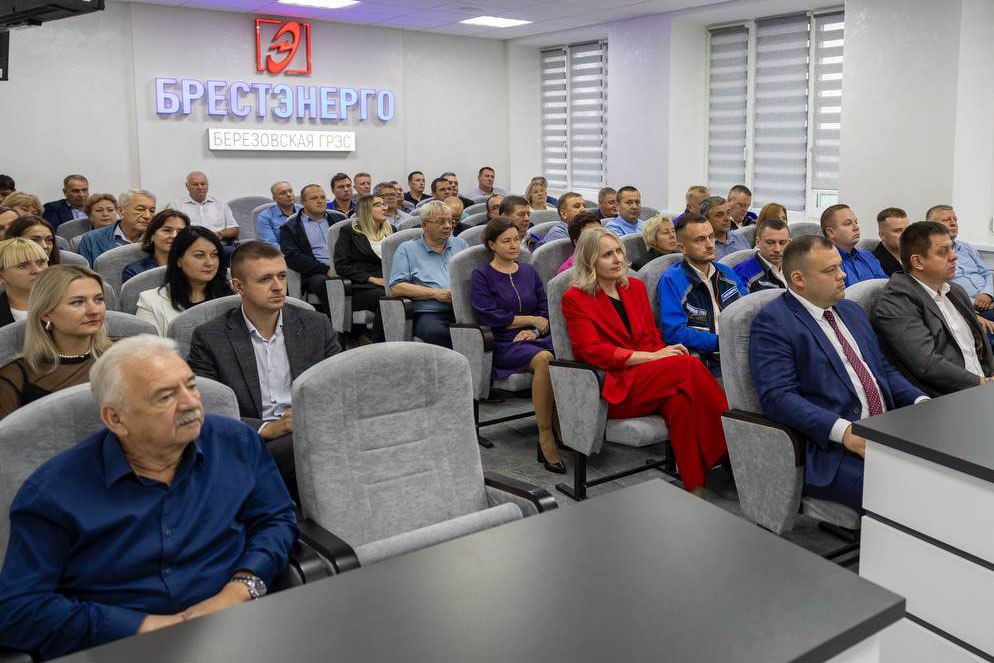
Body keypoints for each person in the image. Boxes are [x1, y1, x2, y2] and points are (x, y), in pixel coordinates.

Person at [0, 335, 298, 660]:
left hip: (235, 626)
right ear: (116, 419)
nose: (190, 404)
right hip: (117, 651)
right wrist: (142, 627)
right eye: (165, 397)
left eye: (191, 386)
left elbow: (276, 519)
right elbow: (18, 608)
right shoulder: (53, 493)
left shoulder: (236, 443)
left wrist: (242, 587)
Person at [750, 235, 926, 510]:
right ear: (798, 279)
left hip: (883, 430)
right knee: (913, 490)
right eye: (830, 270)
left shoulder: (850, 310)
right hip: (831, 449)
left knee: (951, 473)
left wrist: (920, 401)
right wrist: (845, 432)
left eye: (840, 266)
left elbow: (882, 369)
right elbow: (778, 398)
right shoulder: (774, 322)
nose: (842, 275)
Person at [561, 227, 729, 496]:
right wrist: (653, 357)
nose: (617, 259)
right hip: (616, 386)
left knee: (682, 402)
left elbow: (650, 336)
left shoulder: (634, 287)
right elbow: (590, 351)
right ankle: (732, 449)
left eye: (618, 251)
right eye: (607, 255)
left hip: (650, 377)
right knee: (688, 365)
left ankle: (695, 487)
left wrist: (664, 351)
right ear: (590, 261)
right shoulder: (575, 298)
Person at [187, 241, 341, 492]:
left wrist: (308, 418)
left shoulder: (315, 325)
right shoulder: (211, 337)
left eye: (282, 276)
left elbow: (338, 387)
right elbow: (206, 406)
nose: (278, 286)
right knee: (315, 447)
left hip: (310, 430)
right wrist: (267, 428)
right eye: (265, 279)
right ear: (239, 286)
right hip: (250, 441)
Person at [470, 217, 562, 473]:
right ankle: (545, 435)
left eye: (516, 240)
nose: (513, 246)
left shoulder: (529, 271)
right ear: (492, 244)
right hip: (503, 342)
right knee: (545, 359)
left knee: (567, 353)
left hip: (536, 336)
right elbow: (489, 315)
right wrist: (530, 320)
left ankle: (562, 422)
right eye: (506, 241)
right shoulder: (482, 275)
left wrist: (534, 330)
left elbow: (545, 308)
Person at [871, 221, 994, 396]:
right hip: (946, 397)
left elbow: (981, 348)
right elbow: (926, 364)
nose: (954, 256)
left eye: (952, 249)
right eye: (943, 252)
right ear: (918, 261)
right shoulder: (897, 300)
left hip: (981, 386)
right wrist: (983, 383)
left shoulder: (955, 291)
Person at [0, 265, 111, 418]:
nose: (94, 310)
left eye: (99, 299)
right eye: (77, 302)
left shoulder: (126, 355)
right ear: (46, 314)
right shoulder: (15, 377)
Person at [658, 214, 747, 375]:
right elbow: (675, 332)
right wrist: (722, 342)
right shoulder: (671, 280)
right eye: (700, 240)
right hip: (708, 361)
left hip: (742, 353)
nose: (710, 244)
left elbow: (747, 311)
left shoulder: (726, 272)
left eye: (711, 237)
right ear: (683, 248)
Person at [388, 200, 469, 348]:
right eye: (441, 222)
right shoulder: (407, 249)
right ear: (425, 225)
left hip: (463, 309)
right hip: (430, 312)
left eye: (450, 221)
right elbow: (397, 288)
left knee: (487, 329)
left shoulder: (460, 244)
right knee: (440, 334)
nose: (448, 226)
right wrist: (435, 294)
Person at [136, 226, 233, 335]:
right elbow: (147, 345)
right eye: (199, 255)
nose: (209, 263)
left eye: (214, 255)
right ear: (179, 260)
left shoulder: (234, 294)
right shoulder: (150, 301)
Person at [333, 194, 391, 342]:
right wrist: (372, 279)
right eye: (378, 205)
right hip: (362, 287)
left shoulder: (392, 231)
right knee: (387, 298)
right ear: (366, 209)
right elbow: (341, 265)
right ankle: (379, 344)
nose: (384, 208)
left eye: (384, 204)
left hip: (389, 282)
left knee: (403, 293)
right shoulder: (349, 231)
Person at [927, 204, 994, 322]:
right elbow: (940, 289)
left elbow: (987, 272)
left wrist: (987, 293)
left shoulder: (967, 247)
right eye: (946, 220)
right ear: (931, 225)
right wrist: (978, 303)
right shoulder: (930, 254)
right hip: (970, 307)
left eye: (955, 219)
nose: (953, 223)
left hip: (989, 297)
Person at [279, 184, 338, 314]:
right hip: (316, 273)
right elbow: (293, 257)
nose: (320, 201)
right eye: (314, 198)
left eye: (323, 197)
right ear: (303, 202)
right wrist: (326, 269)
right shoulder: (290, 228)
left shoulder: (339, 220)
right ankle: (336, 324)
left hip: (345, 267)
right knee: (327, 284)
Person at [77, 189, 156, 266]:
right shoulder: (92, 239)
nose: (147, 216)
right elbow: (84, 273)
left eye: (152, 211)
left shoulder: (156, 239)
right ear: (121, 211)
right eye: (140, 209)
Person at [821, 204, 886, 286]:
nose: (856, 227)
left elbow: (885, 287)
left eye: (856, 222)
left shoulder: (868, 256)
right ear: (831, 232)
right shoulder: (825, 263)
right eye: (848, 223)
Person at [167, 171, 239, 243]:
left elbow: (234, 229)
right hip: (189, 245)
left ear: (207, 185)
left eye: (203, 184)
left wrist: (218, 234)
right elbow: (170, 230)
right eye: (195, 184)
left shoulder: (220, 204)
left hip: (219, 244)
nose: (200, 187)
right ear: (187, 186)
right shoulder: (176, 205)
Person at [122, 210, 191, 282]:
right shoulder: (135, 271)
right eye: (167, 230)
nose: (174, 236)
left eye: (181, 232)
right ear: (152, 235)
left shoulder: (194, 267)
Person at [0, 238, 49, 326]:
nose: (37, 270)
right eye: (23, 266)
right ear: (1, 276)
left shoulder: (65, 303)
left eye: (41, 263)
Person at [733, 217, 790, 292]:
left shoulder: (795, 269)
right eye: (770, 243)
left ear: (789, 243)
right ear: (758, 242)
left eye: (782, 243)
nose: (777, 249)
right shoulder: (743, 274)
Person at [700, 195, 749, 260]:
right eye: (719, 215)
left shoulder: (740, 237)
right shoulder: (702, 246)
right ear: (706, 219)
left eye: (728, 213)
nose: (727, 219)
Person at [256, 181, 301, 248]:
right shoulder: (265, 217)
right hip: (283, 252)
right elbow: (270, 244)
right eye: (283, 193)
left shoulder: (302, 210)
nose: (289, 195)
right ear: (274, 198)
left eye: (290, 191)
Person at [873, 207, 908, 277]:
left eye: (907, 229)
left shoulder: (916, 254)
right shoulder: (876, 264)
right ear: (882, 235)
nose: (906, 234)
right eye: (897, 230)